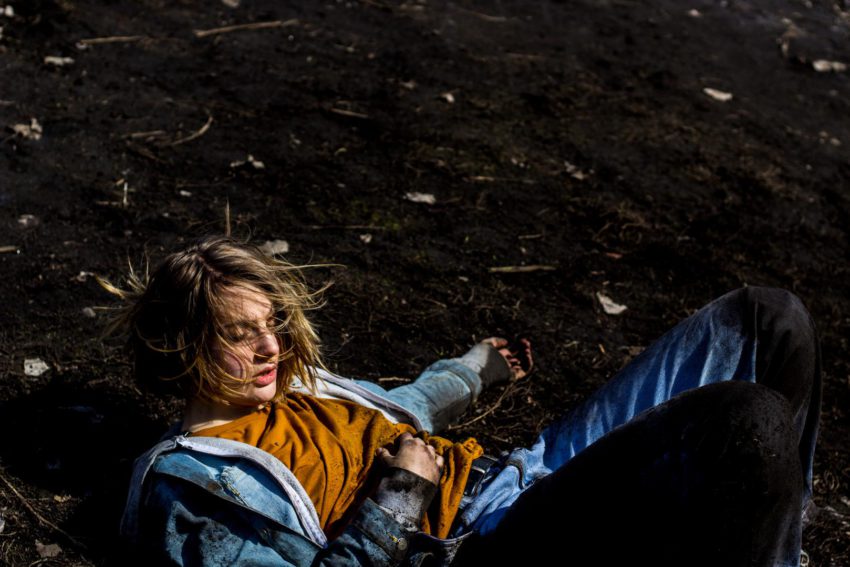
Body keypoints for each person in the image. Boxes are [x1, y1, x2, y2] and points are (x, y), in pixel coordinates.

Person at [110, 235, 820, 566]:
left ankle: (770, 542)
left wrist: (478, 368)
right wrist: (399, 499)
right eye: (241, 334)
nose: (271, 346)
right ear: (181, 347)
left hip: (525, 472)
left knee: (769, 318)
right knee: (744, 419)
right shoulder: (193, 485)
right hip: (483, 544)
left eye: (273, 323)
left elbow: (408, 405)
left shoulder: (295, 390)